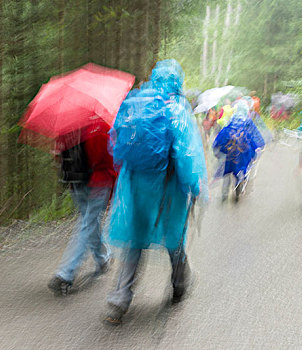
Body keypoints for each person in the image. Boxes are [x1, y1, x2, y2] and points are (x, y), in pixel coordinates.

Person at [103, 59, 207, 325]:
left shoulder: (133, 104)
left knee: (134, 242)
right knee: (174, 238)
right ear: (177, 82)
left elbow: (114, 146)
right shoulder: (176, 110)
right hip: (168, 189)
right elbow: (186, 154)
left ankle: (119, 300)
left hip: (135, 187)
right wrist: (194, 186)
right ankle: (179, 284)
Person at [47, 131, 116, 296]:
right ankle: (65, 273)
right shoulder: (100, 128)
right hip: (98, 182)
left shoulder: (68, 126)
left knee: (89, 223)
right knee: (87, 224)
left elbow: (59, 156)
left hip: (75, 182)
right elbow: (111, 159)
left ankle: (102, 258)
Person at [213, 101, 265, 202]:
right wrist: (260, 144)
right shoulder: (248, 120)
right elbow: (254, 134)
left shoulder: (231, 119)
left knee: (227, 170)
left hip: (229, 150)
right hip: (242, 151)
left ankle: (224, 194)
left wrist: (217, 145)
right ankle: (238, 187)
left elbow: (224, 132)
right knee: (240, 169)